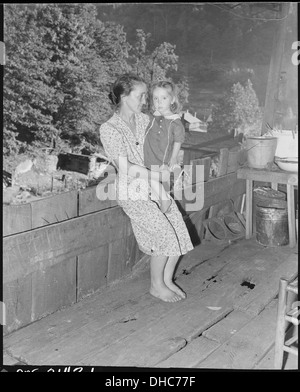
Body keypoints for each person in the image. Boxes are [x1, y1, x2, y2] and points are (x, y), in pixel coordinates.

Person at [99, 74, 193, 303]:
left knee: (179, 231)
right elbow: (126, 167)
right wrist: (157, 177)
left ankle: (168, 280)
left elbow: (166, 138)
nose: (145, 100)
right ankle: (156, 285)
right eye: (141, 95)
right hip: (132, 191)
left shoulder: (144, 120)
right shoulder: (109, 128)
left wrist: (168, 176)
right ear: (123, 96)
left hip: (153, 186)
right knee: (163, 235)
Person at [143, 80, 185, 194]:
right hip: (146, 159)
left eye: (164, 98)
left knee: (160, 191)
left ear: (172, 100)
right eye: (156, 98)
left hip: (162, 161)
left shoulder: (174, 122)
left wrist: (173, 157)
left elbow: (178, 140)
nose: (159, 102)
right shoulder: (151, 118)